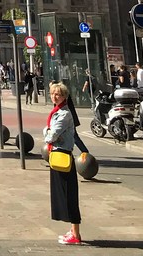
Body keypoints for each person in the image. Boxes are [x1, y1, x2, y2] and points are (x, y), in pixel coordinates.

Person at [44, 82, 82, 246]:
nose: (54, 97)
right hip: (58, 156)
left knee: (69, 196)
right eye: (53, 94)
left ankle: (76, 234)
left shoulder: (64, 114)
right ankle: (73, 231)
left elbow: (51, 135)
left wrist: (46, 132)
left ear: (65, 96)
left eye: (58, 94)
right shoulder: (57, 112)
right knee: (65, 195)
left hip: (63, 157)